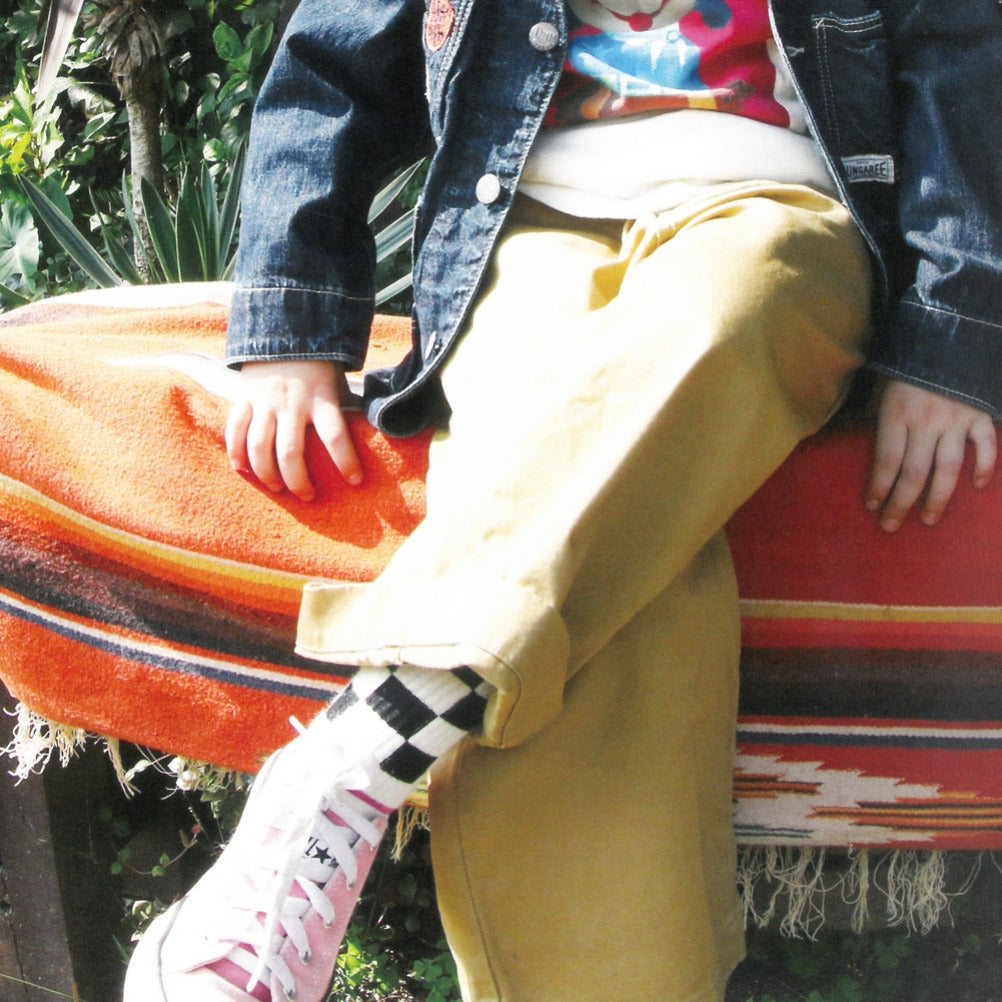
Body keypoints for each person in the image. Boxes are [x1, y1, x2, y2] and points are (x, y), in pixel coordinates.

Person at [124, 1, 1002, 1000]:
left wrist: (951, 337)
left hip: (779, 211)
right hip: (526, 230)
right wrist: (291, 319)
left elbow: (959, 54)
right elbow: (331, 64)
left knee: (729, 310)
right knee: (594, 551)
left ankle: (357, 753)